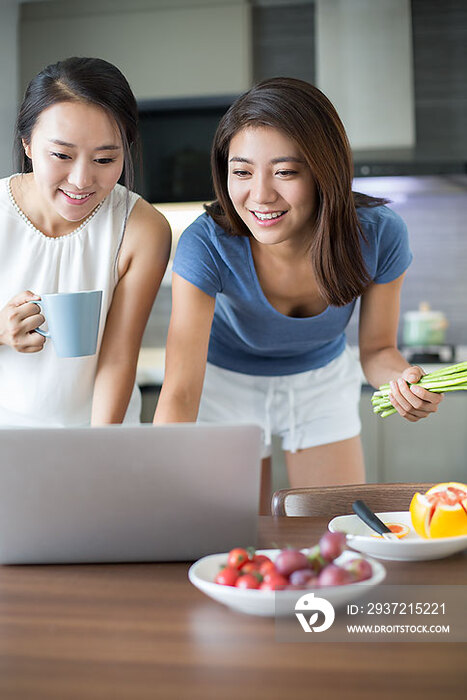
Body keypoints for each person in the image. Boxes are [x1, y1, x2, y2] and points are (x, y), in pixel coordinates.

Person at [153, 77, 442, 512]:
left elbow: (379, 350)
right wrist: (156, 478)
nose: (260, 195)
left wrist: (403, 384)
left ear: (323, 170)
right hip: (225, 383)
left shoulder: (379, 235)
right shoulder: (206, 243)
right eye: (242, 171)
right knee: (234, 535)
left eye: (285, 171)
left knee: (338, 529)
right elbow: (179, 389)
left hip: (320, 381)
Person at [0, 57, 171, 427]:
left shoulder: (141, 228)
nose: (81, 180)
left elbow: (119, 357)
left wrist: (97, 455)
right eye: (61, 155)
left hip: (96, 435)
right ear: (27, 143)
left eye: (105, 159)